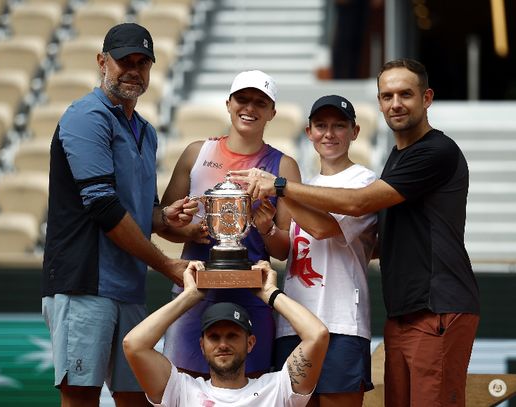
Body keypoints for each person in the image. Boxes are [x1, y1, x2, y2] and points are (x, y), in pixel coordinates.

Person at [231, 58, 480, 407]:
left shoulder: (433, 152)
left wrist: (282, 186)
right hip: (401, 309)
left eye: (405, 94)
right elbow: (371, 239)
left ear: (426, 98)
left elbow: (357, 205)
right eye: (387, 95)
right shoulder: (397, 158)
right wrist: (269, 224)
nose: (395, 103)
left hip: (434, 304)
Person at [41, 23, 198, 407]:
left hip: (128, 286)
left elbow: (141, 210)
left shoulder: (145, 130)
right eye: (124, 60)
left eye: (142, 62)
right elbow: (103, 207)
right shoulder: (85, 117)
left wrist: (164, 218)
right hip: (84, 282)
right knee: (81, 397)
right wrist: (167, 266)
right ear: (101, 61)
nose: (133, 69)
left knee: (137, 397)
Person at [157, 70, 301, 378]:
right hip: (194, 292)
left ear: (272, 112)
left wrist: (266, 229)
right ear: (228, 103)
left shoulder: (284, 166)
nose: (250, 108)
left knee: (252, 389)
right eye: (243, 99)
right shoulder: (197, 153)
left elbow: (285, 249)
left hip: (253, 296)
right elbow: (162, 221)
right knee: (182, 386)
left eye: (260, 103)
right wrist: (189, 228)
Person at [267, 95, 377, 406]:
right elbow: (284, 250)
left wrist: (279, 189)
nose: (329, 133)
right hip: (293, 321)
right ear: (309, 132)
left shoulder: (364, 180)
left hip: (340, 320)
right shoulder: (303, 186)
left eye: (339, 126)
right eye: (321, 126)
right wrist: (263, 226)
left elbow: (323, 228)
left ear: (355, 132)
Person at [122, 260, 330, 406]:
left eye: (232, 335)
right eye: (214, 337)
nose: (223, 344)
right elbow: (134, 344)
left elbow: (317, 335)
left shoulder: (277, 388)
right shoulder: (181, 390)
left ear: (250, 343)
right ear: (202, 345)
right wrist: (190, 295)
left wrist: (269, 293)